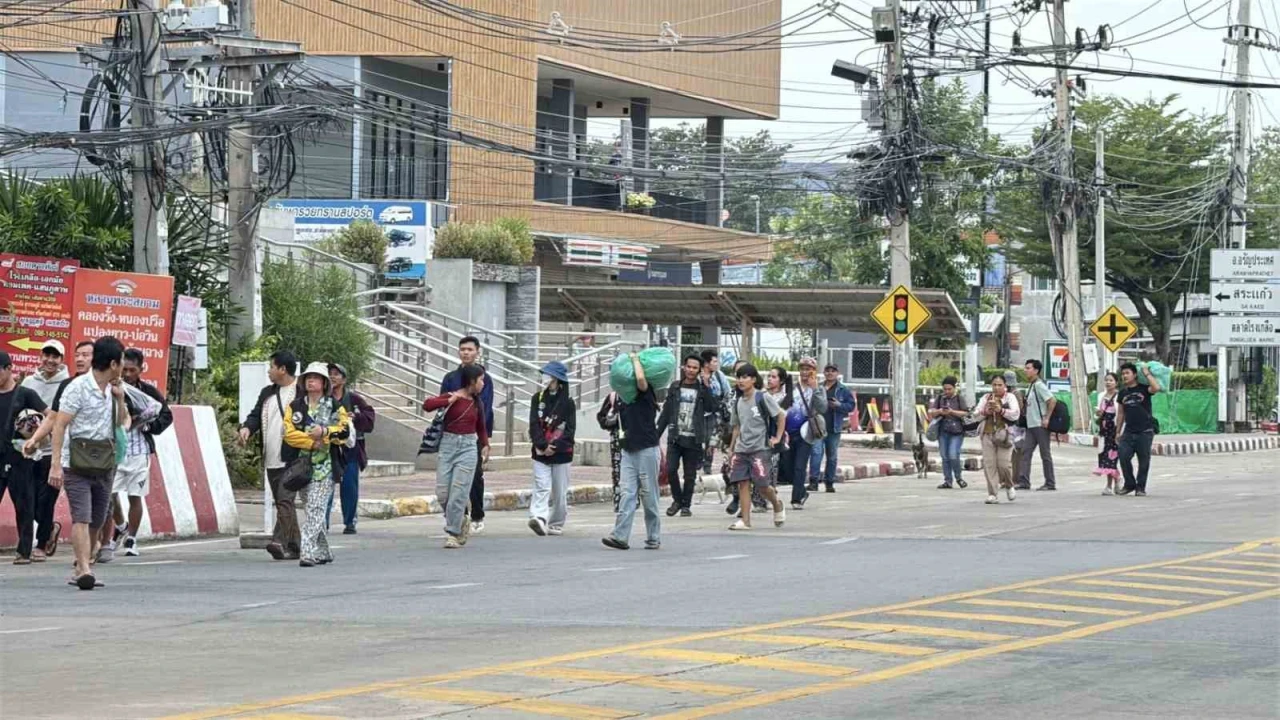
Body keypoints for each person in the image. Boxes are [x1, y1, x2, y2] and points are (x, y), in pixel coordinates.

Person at [48, 336, 130, 590]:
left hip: (105, 462)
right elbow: (60, 424)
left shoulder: (113, 389)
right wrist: (56, 464)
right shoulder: (77, 387)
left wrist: (118, 397)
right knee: (81, 517)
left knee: (96, 518)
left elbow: (122, 422)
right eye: (122, 361)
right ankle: (83, 569)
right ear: (114, 363)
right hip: (77, 462)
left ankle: (84, 564)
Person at [283, 362, 351, 566]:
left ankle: (307, 551)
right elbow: (289, 434)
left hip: (326, 467)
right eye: (308, 377)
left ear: (323, 383)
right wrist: (312, 441)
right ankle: (324, 551)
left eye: (316, 377)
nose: (311, 381)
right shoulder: (295, 407)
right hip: (301, 466)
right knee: (313, 509)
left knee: (315, 508)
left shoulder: (335, 406)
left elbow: (344, 432)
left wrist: (326, 433)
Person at [238, 351, 301, 561]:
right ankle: (296, 546)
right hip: (272, 456)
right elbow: (256, 415)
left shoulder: (300, 391)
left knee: (285, 499)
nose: (269, 371)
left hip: (295, 456)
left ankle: (278, 541)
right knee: (284, 502)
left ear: (283, 369)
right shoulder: (268, 392)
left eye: (272, 367)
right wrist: (247, 428)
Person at [111, 349, 173, 557]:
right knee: (109, 494)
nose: (127, 374)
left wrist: (149, 426)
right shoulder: (111, 388)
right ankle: (120, 526)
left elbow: (165, 414)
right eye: (124, 369)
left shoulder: (148, 392)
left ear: (140, 369)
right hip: (115, 449)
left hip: (139, 450)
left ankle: (132, 538)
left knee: (135, 495)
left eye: (132, 370)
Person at [423, 364, 490, 548]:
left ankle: (453, 533)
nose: (483, 383)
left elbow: (481, 427)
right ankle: (460, 521)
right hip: (448, 446)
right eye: (481, 380)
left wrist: (485, 445)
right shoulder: (452, 396)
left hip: (468, 448)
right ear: (471, 381)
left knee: (458, 493)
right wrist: (447, 400)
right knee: (443, 494)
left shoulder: (478, 403)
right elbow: (427, 405)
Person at [603, 353, 661, 551]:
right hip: (628, 449)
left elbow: (641, 381)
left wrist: (635, 359)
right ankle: (620, 536)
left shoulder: (645, 392)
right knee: (627, 493)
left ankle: (653, 537)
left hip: (647, 449)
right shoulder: (621, 398)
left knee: (648, 495)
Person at [19, 340, 69, 561]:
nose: (50, 360)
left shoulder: (68, 384)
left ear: (61, 360)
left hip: (54, 451)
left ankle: (41, 544)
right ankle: (48, 531)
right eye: (46, 355)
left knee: (46, 499)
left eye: (55, 356)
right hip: (29, 449)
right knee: (29, 499)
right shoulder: (29, 382)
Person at [440, 336, 494, 535]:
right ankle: (459, 516)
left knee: (475, 476)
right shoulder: (450, 378)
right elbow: (442, 403)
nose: (466, 352)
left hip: (475, 434)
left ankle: (477, 514)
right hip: (452, 434)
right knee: (452, 479)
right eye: (462, 349)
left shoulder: (484, 379)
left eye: (470, 349)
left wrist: (483, 437)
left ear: (477, 351)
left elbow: (484, 408)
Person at [0, 351, 49, 565]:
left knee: (24, 503)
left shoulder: (25, 394)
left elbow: (50, 415)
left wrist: (36, 436)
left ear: (9, 369)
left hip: (19, 456)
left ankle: (24, 550)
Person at [726, 364, 786, 531]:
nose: (741, 381)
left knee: (762, 485)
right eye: (738, 377)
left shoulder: (762, 397)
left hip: (760, 448)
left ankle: (776, 504)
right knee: (742, 483)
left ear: (753, 379)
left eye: (745, 377)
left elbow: (780, 416)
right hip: (741, 449)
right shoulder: (738, 401)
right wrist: (731, 448)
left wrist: (778, 437)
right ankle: (745, 521)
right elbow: (736, 427)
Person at [656, 354, 713, 518]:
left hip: (694, 438)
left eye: (695, 368)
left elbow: (711, 407)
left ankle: (686, 505)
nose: (691, 370)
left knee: (690, 475)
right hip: (675, 437)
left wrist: (707, 385)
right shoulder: (674, 387)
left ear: (699, 370)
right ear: (683, 367)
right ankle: (677, 500)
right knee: (671, 470)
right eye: (689, 366)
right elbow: (666, 412)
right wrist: (657, 434)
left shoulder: (702, 390)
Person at [325, 363, 376, 535]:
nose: (333, 377)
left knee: (349, 486)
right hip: (328, 448)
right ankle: (322, 522)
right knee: (325, 486)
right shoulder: (323, 399)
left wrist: (356, 417)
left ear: (344, 379)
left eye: (336, 374)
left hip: (350, 450)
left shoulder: (354, 399)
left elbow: (369, 419)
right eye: (330, 374)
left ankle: (350, 522)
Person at [528, 361, 575, 536]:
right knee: (541, 486)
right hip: (540, 452)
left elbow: (570, 431)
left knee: (559, 491)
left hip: (561, 454)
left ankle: (556, 521)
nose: (545, 377)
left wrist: (554, 447)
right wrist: (541, 444)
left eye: (548, 374)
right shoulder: (537, 398)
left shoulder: (568, 403)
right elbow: (533, 424)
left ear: (557, 378)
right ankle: (539, 517)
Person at [786, 357, 827, 509]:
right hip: (790, 431)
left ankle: (796, 499)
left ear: (814, 372)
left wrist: (815, 389)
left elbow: (823, 408)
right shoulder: (792, 387)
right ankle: (802, 490)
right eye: (802, 369)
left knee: (799, 466)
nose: (805, 372)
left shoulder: (818, 389)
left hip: (806, 433)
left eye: (808, 369)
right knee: (788, 467)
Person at [1115, 362, 1161, 497]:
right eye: (1123, 374)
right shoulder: (1122, 393)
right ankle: (1129, 484)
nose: (1124, 376)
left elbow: (1156, 387)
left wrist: (1146, 373)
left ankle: (1140, 487)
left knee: (1144, 460)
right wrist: (1118, 431)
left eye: (1127, 373)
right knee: (1123, 456)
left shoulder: (1144, 389)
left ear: (1135, 375)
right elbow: (1121, 413)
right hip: (1128, 431)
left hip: (1145, 431)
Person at [809, 364, 856, 493]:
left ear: (837, 373)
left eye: (833, 371)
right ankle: (813, 481)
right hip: (818, 427)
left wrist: (839, 405)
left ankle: (829, 482)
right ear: (824, 373)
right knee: (816, 453)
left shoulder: (843, 390)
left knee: (832, 456)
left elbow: (851, 406)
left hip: (834, 428)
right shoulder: (818, 388)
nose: (830, 373)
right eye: (827, 371)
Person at [977, 375, 1020, 505]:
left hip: (1004, 435)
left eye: (999, 385)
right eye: (994, 385)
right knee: (989, 464)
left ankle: (1009, 484)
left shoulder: (1010, 397)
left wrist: (1001, 410)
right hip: (987, 433)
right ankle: (992, 493)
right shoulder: (986, 398)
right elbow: (975, 414)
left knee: (1004, 464)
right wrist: (986, 412)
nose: (996, 387)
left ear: (1005, 386)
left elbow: (1015, 414)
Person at [1018, 359, 1058, 492]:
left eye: (1028, 368)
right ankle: (1024, 481)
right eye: (1026, 368)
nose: (1026, 370)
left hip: (1040, 425)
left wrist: (1047, 418)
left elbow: (1052, 400)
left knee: (1045, 454)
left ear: (1036, 371)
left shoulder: (1039, 385)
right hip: (1031, 425)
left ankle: (1050, 482)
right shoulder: (1031, 385)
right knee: (1025, 452)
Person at [929, 376, 969, 490]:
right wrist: (940, 411)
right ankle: (948, 480)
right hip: (943, 430)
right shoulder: (940, 398)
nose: (947, 391)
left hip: (957, 431)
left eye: (949, 389)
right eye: (945, 389)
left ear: (955, 388)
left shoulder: (959, 399)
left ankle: (958, 477)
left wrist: (952, 412)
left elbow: (966, 413)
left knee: (953, 454)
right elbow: (932, 412)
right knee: (944, 456)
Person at [699, 349, 732, 475]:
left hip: (715, 413)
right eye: (714, 361)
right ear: (706, 363)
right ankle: (698, 462)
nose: (716, 364)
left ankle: (707, 466)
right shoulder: (698, 376)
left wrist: (724, 406)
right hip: (700, 413)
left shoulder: (719, 375)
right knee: (699, 440)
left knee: (711, 440)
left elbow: (728, 392)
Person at [1094, 371, 1121, 495]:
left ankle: (1113, 484)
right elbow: (1099, 412)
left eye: (1111, 380)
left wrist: (1119, 432)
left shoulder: (1119, 397)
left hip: (1114, 431)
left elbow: (1120, 415)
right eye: (1106, 380)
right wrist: (1098, 413)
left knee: (1112, 458)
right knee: (1105, 459)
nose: (1108, 382)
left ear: (1116, 383)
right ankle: (1113, 484)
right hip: (1104, 432)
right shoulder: (1101, 396)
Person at [596, 391, 623, 514]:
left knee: (634, 470)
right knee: (617, 470)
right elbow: (601, 416)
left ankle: (632, 498)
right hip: (617, 439)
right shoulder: (614, 396)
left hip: (636, 439)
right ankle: (618, 500)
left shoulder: (638, 394)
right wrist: (611, 421)